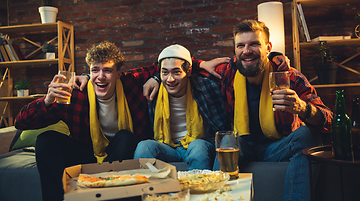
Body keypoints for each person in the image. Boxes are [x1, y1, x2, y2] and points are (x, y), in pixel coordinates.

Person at [200, 20, 333, 201]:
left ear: (268, 47)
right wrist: (198, 65)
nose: (246, 51)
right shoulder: (229, 71)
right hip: (242, 146)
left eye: (254, 44)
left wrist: (302, 107)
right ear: (235, 50)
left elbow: (329, 120)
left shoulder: (289, 77)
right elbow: (179, 69)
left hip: (277, 147)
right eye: (241, 46)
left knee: (308, 135)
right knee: (227, 139)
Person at [14, 41, 156, 201]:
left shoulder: (131, 82)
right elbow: (21, 123)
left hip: (120, 154)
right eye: (95, 70)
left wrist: (156, 78)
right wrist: (47, 100)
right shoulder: (75, 94)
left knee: (125, 136)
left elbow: (177, 64)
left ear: (118, 74)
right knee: (46, 139)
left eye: (108, 70)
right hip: (88, 154)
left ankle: (105, 194)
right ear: (89, 71)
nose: (100, 76)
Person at [134, 44, 231, 170]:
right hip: (168, 147)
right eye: (165, 73)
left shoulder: (205, 88)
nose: (170, 79)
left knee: (198, 146)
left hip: (199, 144)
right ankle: (146, 189)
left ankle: (199, 188)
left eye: (176, 72)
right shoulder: (154, 92)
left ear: (189, 71)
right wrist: (156, 78)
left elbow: (222, 127)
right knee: (144, 146)